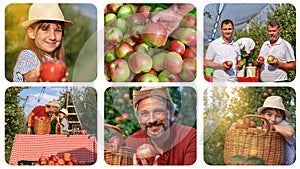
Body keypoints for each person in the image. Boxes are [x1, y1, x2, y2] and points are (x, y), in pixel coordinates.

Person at [125, 87, 196, 165]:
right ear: (138, 118)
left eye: (158, 111)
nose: (152, 120)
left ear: (171, 112)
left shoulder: (190, 136)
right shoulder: (131, 144)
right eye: (145, 113)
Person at [13, 3, 73, 82]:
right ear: (31, 33)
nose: (52, 37)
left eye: (58, 30)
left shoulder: (58, 63)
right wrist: (38, 76)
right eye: (45, 29)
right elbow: (29, 77)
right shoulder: (27, 55)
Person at [257, 96, 295, 165]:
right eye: (269, 115)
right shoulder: (262, 128)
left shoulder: (282, 124)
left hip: (283, 163)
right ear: (262, 117)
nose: (273, 119)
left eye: (278, 116)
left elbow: (290, 132)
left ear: (282, 118)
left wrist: (273, 127)